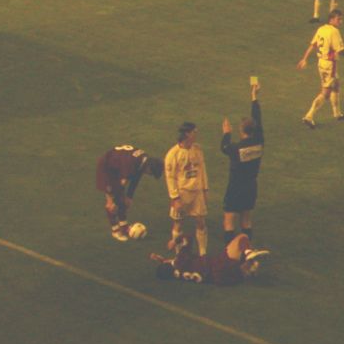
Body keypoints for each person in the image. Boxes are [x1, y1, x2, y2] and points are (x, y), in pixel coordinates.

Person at [297, 9, 344, 128]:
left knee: (336, 84)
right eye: (338, 19)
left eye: (341, 19)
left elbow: (313, 45)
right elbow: (341, 51)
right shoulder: (334, 31)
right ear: (331, 19)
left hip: (321, 62)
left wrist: (304, 58)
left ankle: (337, 113)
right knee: (325, 93)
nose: (340, 21)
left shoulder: (321, 29)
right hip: (329, 65)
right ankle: (308, 116)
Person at [220, 82, 264, 245]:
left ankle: (230, 253)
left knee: (229, 219)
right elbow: (258, 120)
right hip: (251, 185)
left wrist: (226, 133)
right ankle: (246, 250)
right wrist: (254, 97)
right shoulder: (259, 142)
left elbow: (224, 147)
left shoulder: (237, 149)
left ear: (241, 131)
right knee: (246, 219)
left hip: (236, 186)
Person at [96, 145, 163, 241]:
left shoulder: (144, 160)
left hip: (116, 166)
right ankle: (115, 230)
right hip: (107, 169)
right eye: (151, 173)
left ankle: (123, 226)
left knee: (123, 199)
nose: (150, 175)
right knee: (112, 204)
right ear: (149, 167)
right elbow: (122, 184)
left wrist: (129, 196)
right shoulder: (131, 164)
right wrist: (113, 200)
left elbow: (136, 178)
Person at [150, 233, 270, 285]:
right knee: (242, 238)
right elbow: (188, 238)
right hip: (218, 265)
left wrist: (162, 260)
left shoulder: (178, 273)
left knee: (238, 267)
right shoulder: (180, 260)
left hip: (218, 279)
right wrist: (175, 241)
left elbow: (174, 264)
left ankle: (249, 268)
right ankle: (248, 254)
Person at [164, 122, 209, 256]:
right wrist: (175, 198)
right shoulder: (172, 154)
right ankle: (178, 254)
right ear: (187, 134)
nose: (196, 134)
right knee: (178, 223)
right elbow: (170, 178)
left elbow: (202, 170)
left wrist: (205, 189)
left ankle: (203, 253)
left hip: (197, 192)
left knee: (201, 222)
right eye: (194, 132)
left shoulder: (198, 149)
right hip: (182, 194)